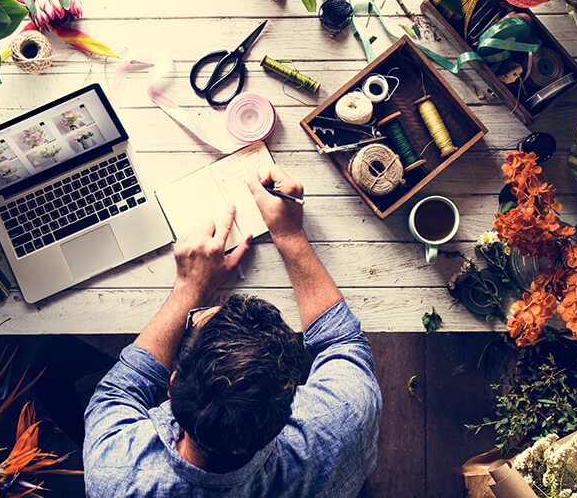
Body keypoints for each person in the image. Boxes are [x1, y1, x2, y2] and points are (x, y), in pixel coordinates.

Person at [83, 165, 382, 497]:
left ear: (171, 384)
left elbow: (117, 392)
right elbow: (341, 340)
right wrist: (289, 234)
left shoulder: (116, 474)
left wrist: (189, 289)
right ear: (279, 423)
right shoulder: (343, 420)